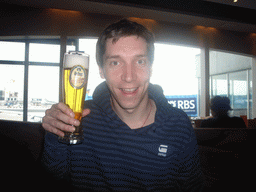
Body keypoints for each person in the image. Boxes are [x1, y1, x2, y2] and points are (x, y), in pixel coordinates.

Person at [42, 19, 204, 191]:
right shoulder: (79, 119)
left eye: (140, 61)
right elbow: (52, 179)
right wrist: (56, 132)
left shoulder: (178, 124)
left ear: (151, 67)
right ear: (101, 70)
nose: (128, 77)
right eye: (115, 62)